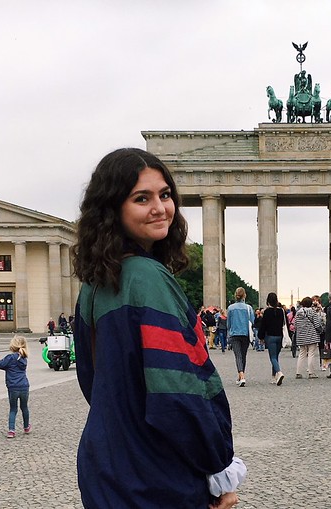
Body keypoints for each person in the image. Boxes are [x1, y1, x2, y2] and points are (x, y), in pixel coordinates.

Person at [72, 148, 245, 509]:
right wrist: (218, 468)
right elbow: (181, 392)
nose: (160, 207)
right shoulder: (148, 278)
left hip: (105, 466)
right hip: (155, 479)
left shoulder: (93, 285)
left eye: (165, 195)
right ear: (112, 209)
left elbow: (93, 382)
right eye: (141, 198)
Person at [0, 336, 31, 438]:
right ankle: (26, 427)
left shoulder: (10, 358)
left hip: (13, 388)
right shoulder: (23, 358)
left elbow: (0, 364)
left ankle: (11, 430)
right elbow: (8, 367)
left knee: (13, 409)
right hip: (24, 386)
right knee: (24, 407)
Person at [227, 287, 255, 386]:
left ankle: (241, 376)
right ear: (244, 295)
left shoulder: (230, 308)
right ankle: (241, 375)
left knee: (238, 356)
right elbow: (252, 321)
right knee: (243, 356)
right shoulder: (249, 308)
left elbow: (228, 324)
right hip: (245, 334)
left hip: (234, 334)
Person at [257, 292, 285, 385]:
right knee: (276, 357)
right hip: (280, 336)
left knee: (272, 357)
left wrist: (260, 336)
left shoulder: (267, 312)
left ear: (268, 301)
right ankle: (274, 377)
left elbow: (263, 325)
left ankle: (279, 372)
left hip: (271, 336)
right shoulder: (281, 311)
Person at [294, 296, 323, 379]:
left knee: (302, 354)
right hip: (311, 335)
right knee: (311, 353)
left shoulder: (298, 312)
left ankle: (298, 372)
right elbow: (317, 324)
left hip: (301, 336)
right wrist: (321, 330)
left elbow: (295, 325)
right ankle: (311, 372)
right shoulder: (312, 312)